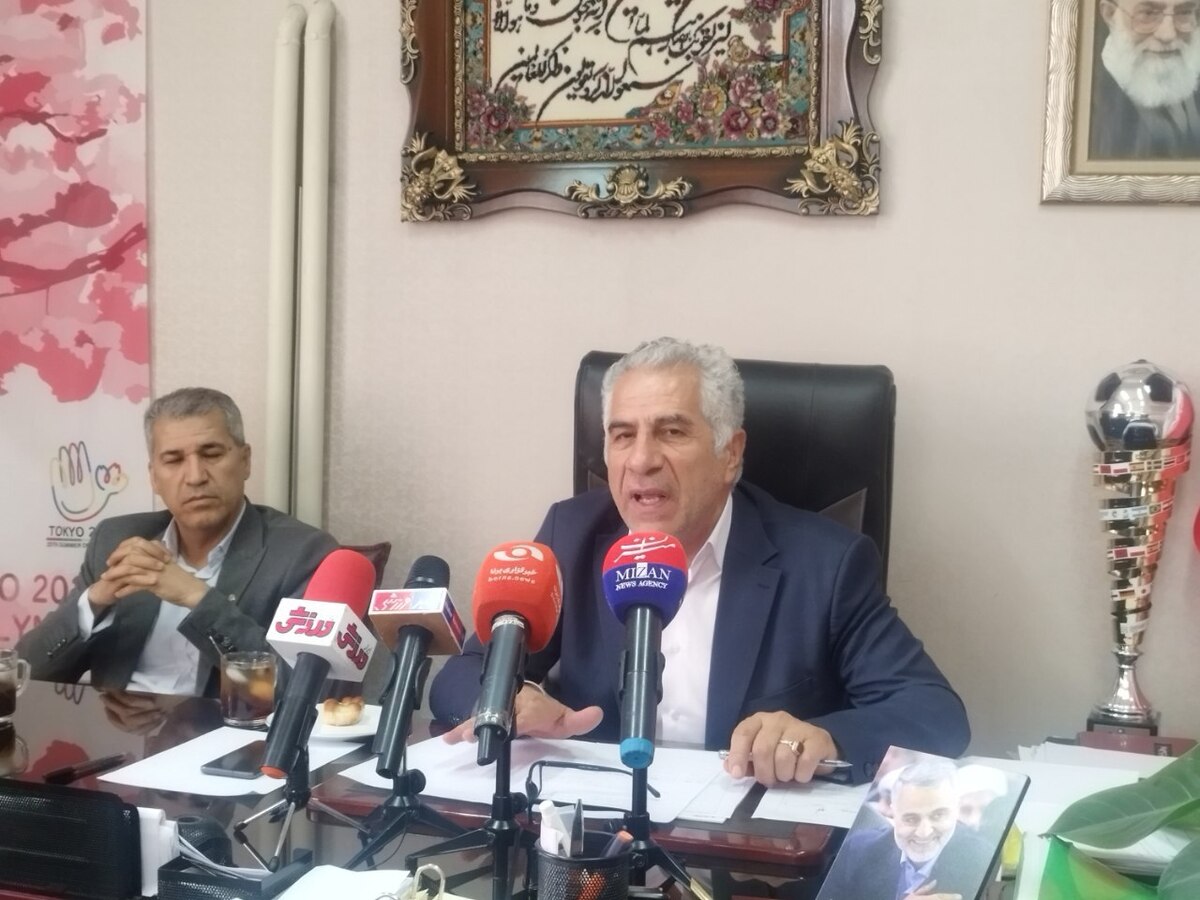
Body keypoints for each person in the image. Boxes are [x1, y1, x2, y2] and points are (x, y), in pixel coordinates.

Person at [429, 338, 969, 786]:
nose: (641, 460)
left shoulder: (826, 564)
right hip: (596, 850)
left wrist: (826, 738)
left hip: (742, 855)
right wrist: (509, 698)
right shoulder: (571, 535)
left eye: (671, 432)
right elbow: (463, 674)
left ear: (730, 453)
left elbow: (933, 712)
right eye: (623, 436)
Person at [18, 387, 338, 696]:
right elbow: (25, 676)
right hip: (119, 729)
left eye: (211, 454)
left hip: (224, 730)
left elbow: (304, 691)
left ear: (245, 461)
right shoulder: (117, 539)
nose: (196, 476)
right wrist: (95, 601)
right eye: (173, 460)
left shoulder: (302, 553)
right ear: (154, 477)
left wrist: (197, 598)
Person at [819, 759, 994, 900]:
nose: (924, 833)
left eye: (938, 815)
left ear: (956, 810)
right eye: (911, 819)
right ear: (893, 813)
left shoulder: (982, 860)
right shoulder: (857, 850)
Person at [1090, 0, 1200, 158]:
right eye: (1148, 14)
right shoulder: (1087, 106)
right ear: (1110, 14)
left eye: (1184, 12)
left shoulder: (1192, 72)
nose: (1168, 34)